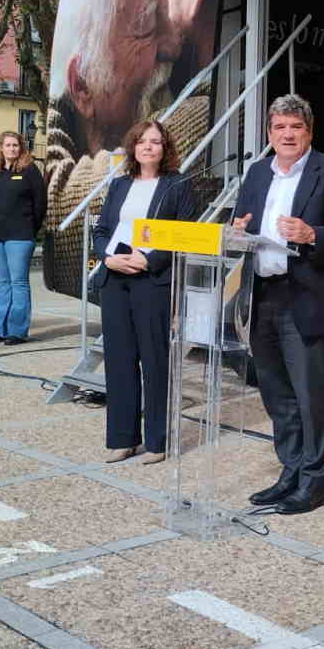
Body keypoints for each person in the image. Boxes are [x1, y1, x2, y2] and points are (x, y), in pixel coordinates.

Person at [44, 0, 219, 300]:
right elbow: (80, 221)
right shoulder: (78, 190)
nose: (174, 43)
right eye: (146, 26)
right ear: (83, 86)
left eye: (168, 13)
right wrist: (206, 47)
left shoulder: (81, 132)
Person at [232, 94, 324, 514]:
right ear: (269, 133)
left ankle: (315, 481)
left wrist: (312, 235)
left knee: (311, 397)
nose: (287, 134)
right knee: (276, 394)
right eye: (280, 127)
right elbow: (240, 225)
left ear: (309, 131)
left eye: (296, 127)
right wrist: (233, 231)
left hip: (306, 297)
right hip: (263, 295)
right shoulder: (256, 174)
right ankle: (290, 471)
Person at [91, 119, 197, 464]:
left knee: (154, 360)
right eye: (142, 141)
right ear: (133, 147)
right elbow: (103, 228)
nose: (148, 147)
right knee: (119, 361)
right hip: (115, 278)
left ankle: (157, 441)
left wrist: (148, 259)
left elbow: (184, 232)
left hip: (152, 280)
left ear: (165, 148)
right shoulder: (119, 184)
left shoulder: (177, 185)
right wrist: (108, 258)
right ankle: (123, 438)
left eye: (155, 141)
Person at [0, 130, 47, 346]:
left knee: (18, 282)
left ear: (21, 148)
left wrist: (31, 227)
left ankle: (17, 331)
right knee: (1, 283)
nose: (12, 149)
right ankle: (0, 329)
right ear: (0, 147)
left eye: (15, 145)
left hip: (19, 234)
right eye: (8, 145)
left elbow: (40, 204)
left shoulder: (30, 171)